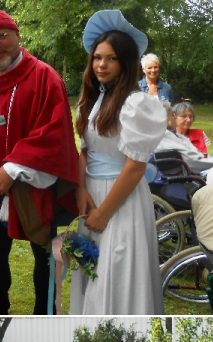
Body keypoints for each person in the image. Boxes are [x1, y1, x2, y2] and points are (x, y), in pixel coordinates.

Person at [0, 8, 80, 315]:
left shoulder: (43, 76)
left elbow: (52, 131)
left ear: (17, 36)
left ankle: (45, 312)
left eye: (1, 36)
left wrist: (12, 168)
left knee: (43, 256)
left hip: (35, 187)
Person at [69, 10, 165, 315]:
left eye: (110, 58)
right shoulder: (94, 99)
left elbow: (135, 165)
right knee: (93, 271)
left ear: (124, 63)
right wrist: (80, 190)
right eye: (97, 57)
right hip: (92, 195)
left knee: (116, 274)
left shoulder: (136, 104)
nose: (101, 64)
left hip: (121, 200)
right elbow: (84, 149)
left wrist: (104, 213)